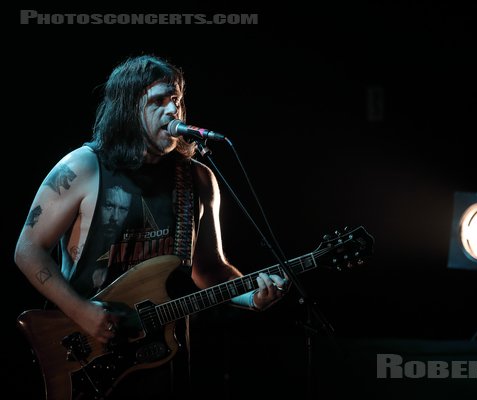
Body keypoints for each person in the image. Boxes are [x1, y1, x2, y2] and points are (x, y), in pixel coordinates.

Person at [14, 54, 287, 399]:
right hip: (86, 352)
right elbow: (28, 250)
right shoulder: (83, 166)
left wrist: (251, 297)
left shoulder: (198, 179)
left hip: (162, 357)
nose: (173, 110)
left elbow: (210, 269)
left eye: (176, 100)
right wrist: (81, 312)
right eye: (158, 101)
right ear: (128, 109)